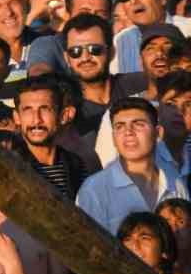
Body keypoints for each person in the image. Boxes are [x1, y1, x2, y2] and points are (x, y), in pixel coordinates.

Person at [77, 99, 189, 234]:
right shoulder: (94, 189)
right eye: (120, 126)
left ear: (158, 133)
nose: (128, 132)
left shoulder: (175, 183)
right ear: (113, 138)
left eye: (138, 124)